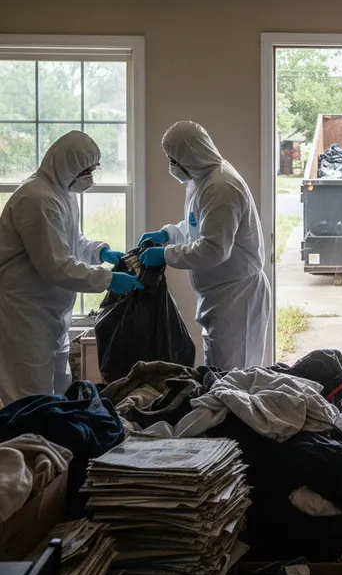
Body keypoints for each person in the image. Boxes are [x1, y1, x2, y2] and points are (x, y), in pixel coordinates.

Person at [0, 130, 142, 406]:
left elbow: (72, 241)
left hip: (50, 312)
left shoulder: (61, 193)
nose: (89, 177)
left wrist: (99, 251)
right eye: (86, 170)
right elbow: (55, 266)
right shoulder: (37, 199)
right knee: (28, 398)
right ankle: (26, 448)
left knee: (56, 389)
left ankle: (52, 445)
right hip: (24, 313)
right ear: (67, 165)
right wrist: (108, 279)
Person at [139, 121, 270, 370]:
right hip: (220, 296)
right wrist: (168, 235)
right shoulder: (201, 181)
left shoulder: (221, 187)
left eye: (173, 160)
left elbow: (214, 248)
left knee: (233, 379)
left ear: (189, 156)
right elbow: (197, 226)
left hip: (237, 298)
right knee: (219, 375)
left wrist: (165, 255)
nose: (171, 166)